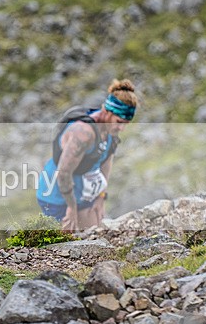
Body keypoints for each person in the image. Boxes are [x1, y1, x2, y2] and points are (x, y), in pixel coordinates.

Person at [36, 79, 138, 231]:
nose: (121, 128)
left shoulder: (110, 130)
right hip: (58, 196)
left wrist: (101, 195)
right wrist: (71, 208)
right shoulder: (83, 133)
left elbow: (105, 164)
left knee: (96, 238)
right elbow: (63, 173)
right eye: (119, 121)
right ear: (108, 112)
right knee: (66, 247)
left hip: (85, 195)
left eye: (126, 124)